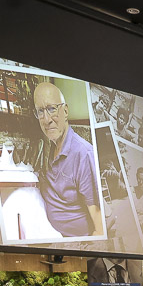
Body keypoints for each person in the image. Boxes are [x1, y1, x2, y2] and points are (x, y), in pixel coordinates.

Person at [34, 82, 102, 238]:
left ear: (65, 111)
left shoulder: (83, 154)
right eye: (40, 111)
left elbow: (99, 229)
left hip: (71, 243)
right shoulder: (48, 142)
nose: (46, 119)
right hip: (49, 234)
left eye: (52, 109)